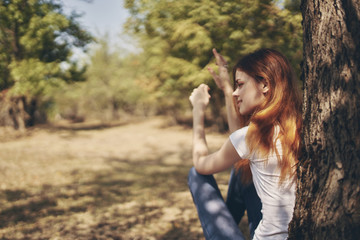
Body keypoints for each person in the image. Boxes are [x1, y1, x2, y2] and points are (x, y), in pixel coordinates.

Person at [188, 48, 302, 240]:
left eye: (240, 85)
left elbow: (201, 163)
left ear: (265, 84)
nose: (235, 92)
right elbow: (239, 149)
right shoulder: (298, 127)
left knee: (195, 174)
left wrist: (198, 110)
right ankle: (230, 225)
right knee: (241, 169)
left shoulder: (251, 137)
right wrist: (226, 90)